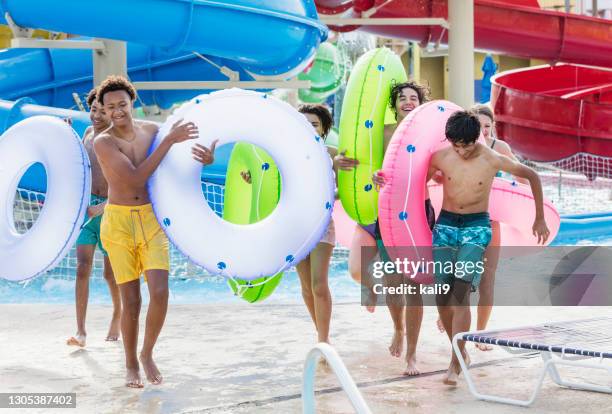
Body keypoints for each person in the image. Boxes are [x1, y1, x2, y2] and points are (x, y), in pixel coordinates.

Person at [386, 110, 549, 386]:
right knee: (442, 296)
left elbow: (532, 175)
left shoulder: (492, 159)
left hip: (477, 227)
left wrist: (540, 217)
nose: (461, 151)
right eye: (456, 145)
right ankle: (459, 348)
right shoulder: (441, 157)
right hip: (446, 225)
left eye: (467, 145)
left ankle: (455, 358)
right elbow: (412, 183)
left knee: (460, 293)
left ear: (478, 139)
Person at [93, 75, 217, 388]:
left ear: (131, 102)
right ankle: (131, 364)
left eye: (123, 103)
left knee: (160, 292)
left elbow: (178, 161)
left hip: (151, 219)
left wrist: (207, 158)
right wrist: (168, 141)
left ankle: (147, 352)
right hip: (118, 224)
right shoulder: (103, 142)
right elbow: (134, 178)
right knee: (131, 301)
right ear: (104, 111)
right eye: (111, 107)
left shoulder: (151, 131)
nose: (117, 110)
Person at [335, 81, 434, 375]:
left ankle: (413, 354)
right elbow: (364, 162)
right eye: (401, 98)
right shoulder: (383, 133)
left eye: (412, 97)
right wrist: (351, 166)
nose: (407, 101)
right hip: (385, 210)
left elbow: (435, 171)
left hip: (417, 210)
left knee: (414, 284)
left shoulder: (430, 131)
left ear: (420, 102)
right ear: (394, 104)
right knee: (392, 282)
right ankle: (398, 329)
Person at [67, 88, 121, 348]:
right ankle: (80, 331)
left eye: (102, 111)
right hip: (88, 210)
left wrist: (107, 205)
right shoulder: (88, 134)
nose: (96, 116)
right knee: (81, 268)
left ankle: (117, 314)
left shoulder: (117, 139)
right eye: (93, 110)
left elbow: (127, 181)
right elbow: (77, 163)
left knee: (110, 275)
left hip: (112, 211)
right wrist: (65, 135)